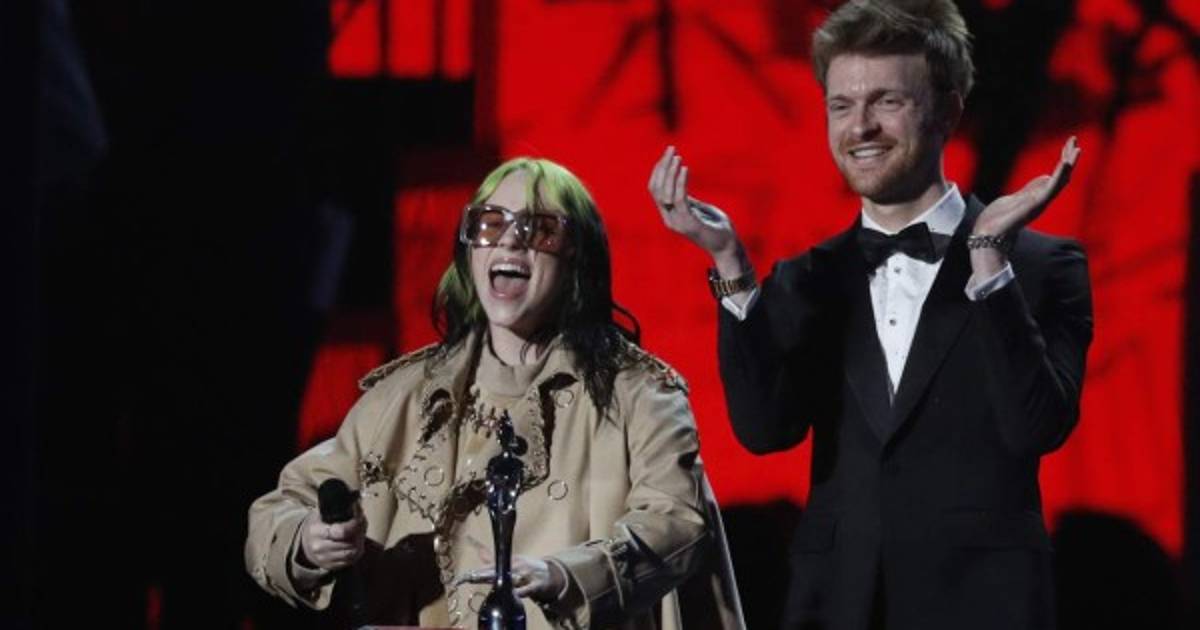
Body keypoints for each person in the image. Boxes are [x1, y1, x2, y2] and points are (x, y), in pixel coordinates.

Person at [648, 1, 1092, 629]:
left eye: (887, 101)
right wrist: (730, 265)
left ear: (948, 111)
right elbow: (765, 430)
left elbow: (1035, 428)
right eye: (842, 106)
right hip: (839, 605)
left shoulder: (1044, 266)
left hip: (984, 606)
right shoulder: (807, 278)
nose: (861, 127)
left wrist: (989, 260)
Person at [247, 157, 745, 630]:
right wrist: (309, 541)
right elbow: (280, 509)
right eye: (489, 225)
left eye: (537, 230)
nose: (509, 241)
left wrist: (567, 576)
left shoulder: (637, 395)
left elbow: (677, 522)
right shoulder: (404, 397)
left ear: (576, 256)